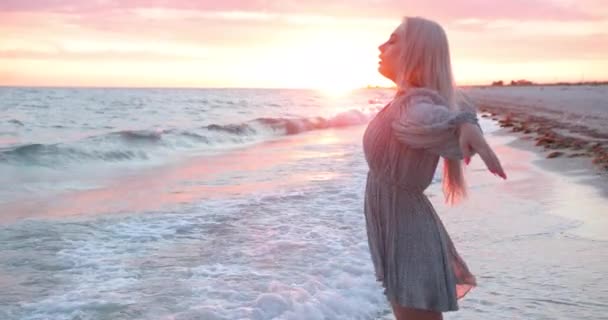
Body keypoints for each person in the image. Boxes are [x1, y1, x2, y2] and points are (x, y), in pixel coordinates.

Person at [362, 16, 507, 320]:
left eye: (392, 40)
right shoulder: (406, 101)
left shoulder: (412, 106)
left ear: (416, 51)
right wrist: (465, 118)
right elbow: (455, 103)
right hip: (400, 228)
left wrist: (463, 124)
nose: (381, 46)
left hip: (408, 235)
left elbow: (433, 118)